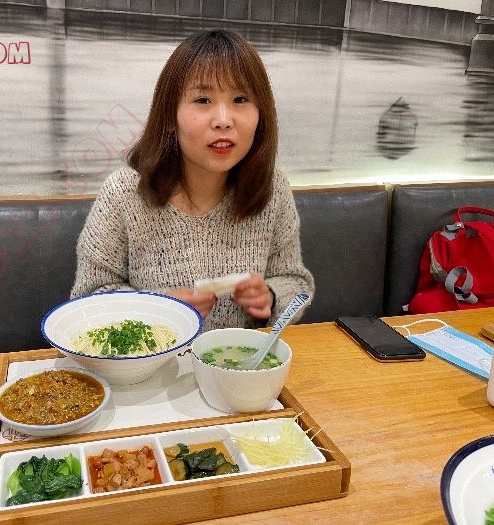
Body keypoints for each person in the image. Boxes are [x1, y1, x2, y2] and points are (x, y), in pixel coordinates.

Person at [70, 29, 314, 330]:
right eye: (203, 99)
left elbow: (295, 281)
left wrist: (271, 297)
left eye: (240, 99)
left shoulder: (272, 188)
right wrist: (158, 310)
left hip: (242, 358)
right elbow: (87, 300)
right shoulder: (123, 194)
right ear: (170, 117)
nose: (223, 120)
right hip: (155, 359)